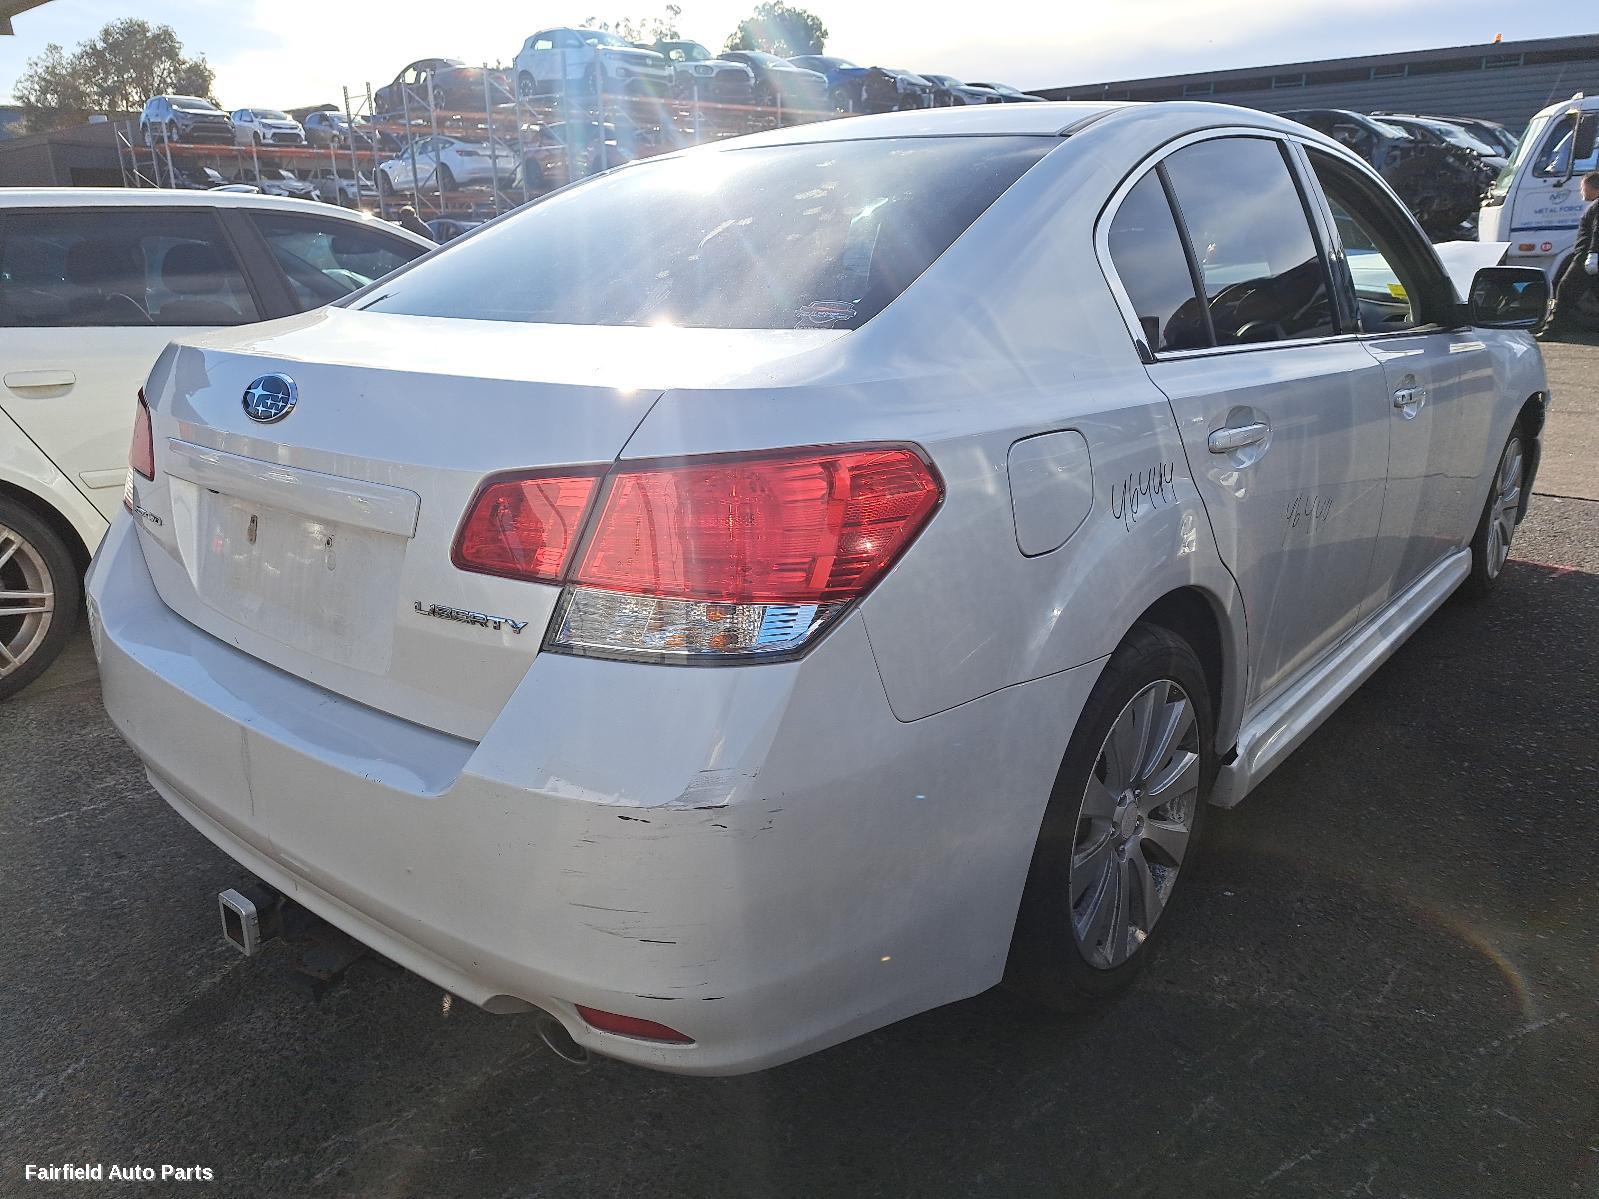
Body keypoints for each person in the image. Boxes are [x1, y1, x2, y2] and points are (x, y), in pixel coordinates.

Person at [1537, 170, 1599, 341]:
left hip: (1585, 259)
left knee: (1565, 289)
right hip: (1587, 257)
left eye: (1583, 188)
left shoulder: (1597, 206)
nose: (1581, 192)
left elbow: (1597, 232)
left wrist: (1593, 254)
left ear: (1595, 188)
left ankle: (1552, 330)